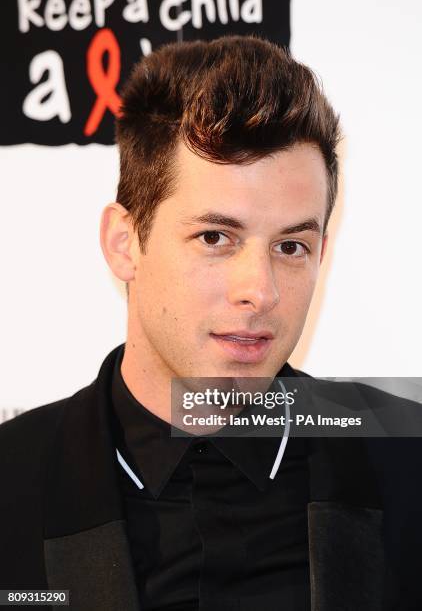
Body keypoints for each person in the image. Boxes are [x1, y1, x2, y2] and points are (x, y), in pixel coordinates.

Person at [0, 35, 420, 611]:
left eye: (291, 246)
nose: (261, 292)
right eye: (216, 238)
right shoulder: (13, 479)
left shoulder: (406, 463)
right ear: (125, 244)